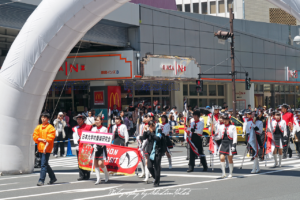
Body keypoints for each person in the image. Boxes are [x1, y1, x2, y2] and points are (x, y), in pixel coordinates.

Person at [33, 112, 57, 186]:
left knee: (43, 165)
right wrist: (41, 139)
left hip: (46, 149)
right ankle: (53, 177)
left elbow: (49, 139)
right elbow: (35, 136)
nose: (43, 119)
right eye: (42, 117)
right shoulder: (38, 127)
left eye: (45, 117)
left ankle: (41, 180)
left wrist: (45, 147)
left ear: (48, 119)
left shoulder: (50, 127)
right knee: (45, 164)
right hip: (40, 148)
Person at [214, 114, 237, 178]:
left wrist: (234, 145)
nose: (225, 121)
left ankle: (230, 173)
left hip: (230, 143)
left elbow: (235, 137)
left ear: (229, 120)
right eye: (224, 119)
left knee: (230, 159)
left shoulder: (233, 127)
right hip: (223, 143)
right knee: (222, 158)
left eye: (226, 119)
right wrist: (214, 137)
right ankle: (223, 173)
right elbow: (219, 136)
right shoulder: (221, 127)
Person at [72, 114, 93, 181]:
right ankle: (81, 175)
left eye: (80, 119)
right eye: (77, 119)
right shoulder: (76, 128)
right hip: (79, 145)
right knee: (79, 160)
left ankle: (87, 174)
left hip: (86, 145)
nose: (78, 120)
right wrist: (76, 144)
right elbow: (74, 136)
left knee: (86, 159)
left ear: (83, 120)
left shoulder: (88, 127)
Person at [143, 120, 163, 187]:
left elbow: (157, 138)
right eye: (150, 126)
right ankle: (156, 177)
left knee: (157, 167)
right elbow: (143, 137)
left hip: (157, 151)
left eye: (153, 126)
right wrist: (145, 131)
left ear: (155, 125)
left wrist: (151, 133)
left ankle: (157, 182)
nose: (151, 127)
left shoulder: (159, 130)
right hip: (149, 151)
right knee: (149, 166)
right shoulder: (148, 131)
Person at [91, 116, 109, 185]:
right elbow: (90, 139)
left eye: (98, 120)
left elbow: (107, 138)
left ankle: (106, 173)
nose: (96, 121)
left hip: (101, 147)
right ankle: (98, 179)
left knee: (101, 163)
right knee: (96, 164)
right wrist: (93, 145)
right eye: (95, 120)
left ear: (101, 121)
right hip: (95, 147)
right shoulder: (93, 129)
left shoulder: (104, 129)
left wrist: (102, 144)